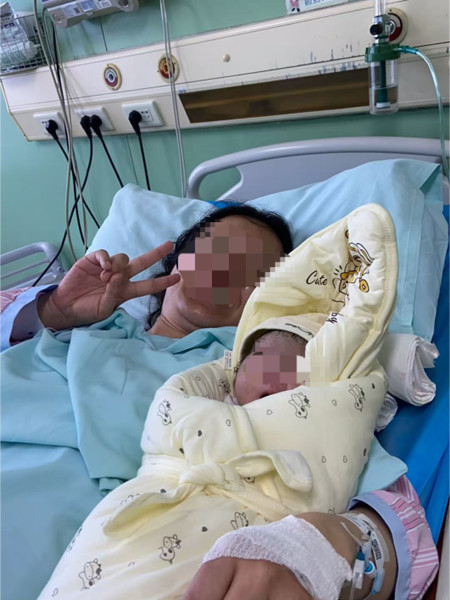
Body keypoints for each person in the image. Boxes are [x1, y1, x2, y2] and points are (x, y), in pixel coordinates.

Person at [1, 205, 438, 600]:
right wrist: (53, 312)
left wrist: (321, 549)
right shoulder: (74, 326)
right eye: (215, 251)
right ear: (177, 261)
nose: (225, 271)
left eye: (255, 272)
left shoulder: (262, 371)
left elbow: (390, 515)